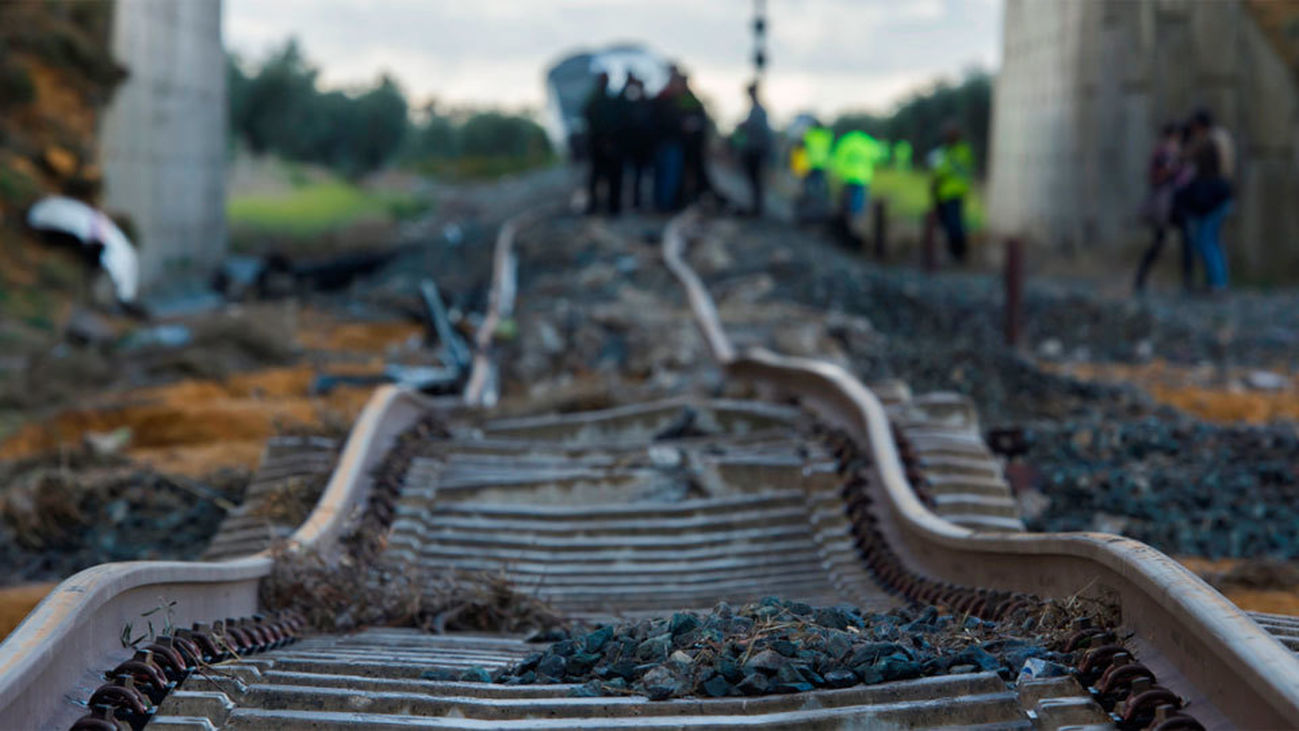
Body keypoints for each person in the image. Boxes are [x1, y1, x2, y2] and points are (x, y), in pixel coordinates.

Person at [1180, 108, 1235, 293]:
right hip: (1220, 194)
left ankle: (1218, 283)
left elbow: (1188, 158)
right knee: (1211, 239)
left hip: (1213, 197)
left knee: (1206, 240)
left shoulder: (1208, 141)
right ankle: (1218, 281)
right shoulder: (1220, 138)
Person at [1133, 123, 1189, 293]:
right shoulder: (1165, 152)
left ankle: (1142, 278)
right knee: (1163, 240)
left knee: (1171, 239)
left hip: (1169, 201)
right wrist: (1177, 170)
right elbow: (1163, 173)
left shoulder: (1165, 151)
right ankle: (1141, 278)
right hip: (1165, 202)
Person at [930, 123, 975, 263]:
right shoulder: (945, 150)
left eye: (949, 133)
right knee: (946, 223)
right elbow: (937, 167)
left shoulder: (962, 150)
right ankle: (952, 251)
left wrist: (939, 175)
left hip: (955, 192)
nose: (947, 136)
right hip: (943, 192)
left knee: (954, 223)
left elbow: (948, 169)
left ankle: (958, 252)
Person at [583, 71, 624, 215]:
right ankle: (600, 205)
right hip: (599, 144)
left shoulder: (600, 99)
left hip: (605, 143)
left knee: (607, 177)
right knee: (598, 177)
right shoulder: (597, 99)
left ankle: (608, 206)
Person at [830, 129, 884, 224]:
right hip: (862, 175)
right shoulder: (867, 141)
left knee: (848, 195)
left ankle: (849, 215)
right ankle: (857, 217)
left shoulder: (846, 141)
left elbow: (838, 158)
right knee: (859, 196)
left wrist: (839, 171)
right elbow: (877, 156)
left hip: (848, 175)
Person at [653, 67, 687, 211]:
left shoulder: (678, 99)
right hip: (668, 143)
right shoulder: (666, 100)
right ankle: (664, 205)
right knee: (667, 176)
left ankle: (665, 204)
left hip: (670, 142)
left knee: (667, 176)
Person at [677, 71, 713, 205]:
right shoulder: (682, 98)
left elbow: (700, 121)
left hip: (692, 145)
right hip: (686, 145)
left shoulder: (689, 99)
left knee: (692, 173)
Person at [622, 74, 655, 211]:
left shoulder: (647, 104)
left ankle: (643, 202)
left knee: (645, 177)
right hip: (633, 148)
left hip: (645, 148)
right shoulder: (629, 104)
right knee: (633, 177)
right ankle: (635, 202)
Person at [738, 82, 771, 216]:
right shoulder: (755, 110)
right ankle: (755, 207)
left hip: (755, 151)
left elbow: (760, 131)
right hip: (753, 150)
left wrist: (745, 126)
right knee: (754, 180)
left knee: (755, 179)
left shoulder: (758, 111)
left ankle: (757, 208)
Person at [799, 124, 834, 222]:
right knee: (820, 186)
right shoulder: (827, 136)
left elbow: (802, 148)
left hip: (809, 164)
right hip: (822, 164)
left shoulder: (809, 135)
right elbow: (830, 149)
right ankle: (819, 205)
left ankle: (810, 205)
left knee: (809, 187)